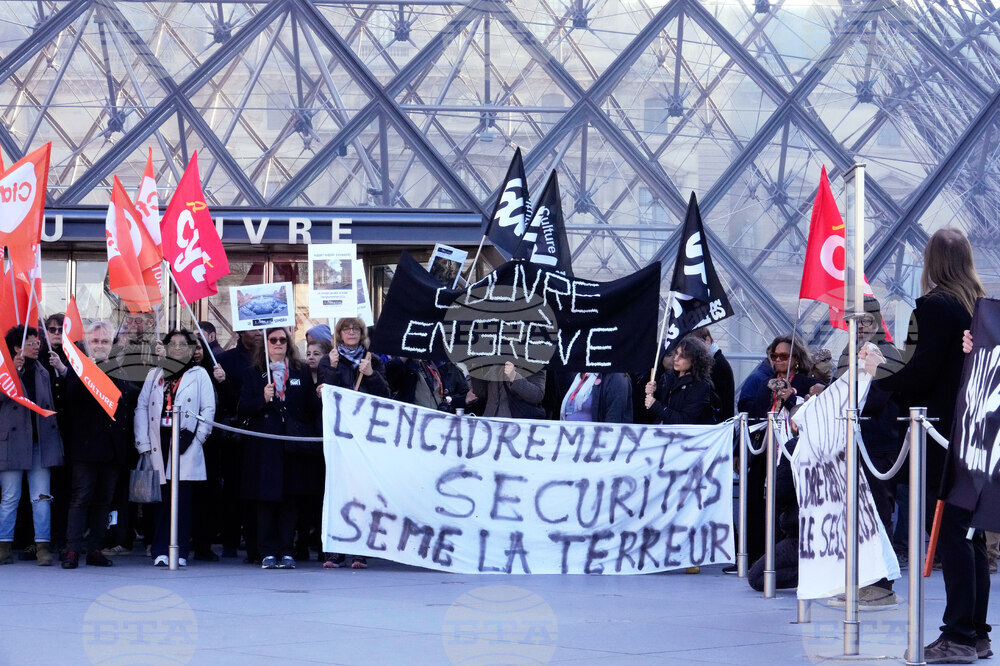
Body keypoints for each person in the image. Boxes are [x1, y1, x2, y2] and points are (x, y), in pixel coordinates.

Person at [878, 228, 988, 663]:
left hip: (941, 433)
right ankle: (976, 632)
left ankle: (959, 635)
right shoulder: (979, 307)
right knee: (971, 533)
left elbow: (920, 372)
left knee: (952, 535)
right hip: (976, 432)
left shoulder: (933, 306)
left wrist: (881, 370)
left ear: (931, 262)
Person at [834, 296, 904, 607]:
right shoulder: (848, 352)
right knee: (857, 514)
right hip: (857, 443)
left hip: (879, 445)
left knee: (876, 512)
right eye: (854, 319)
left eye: (864, 319)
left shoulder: (888, 353)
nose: (859, 325)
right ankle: (859, 578)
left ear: (876, 321)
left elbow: (874, 398)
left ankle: (880, 582)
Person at [239, 326, 319, 570]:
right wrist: (262, 399)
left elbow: (310, 408)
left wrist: (318, 395)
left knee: (289, 501)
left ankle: (287, 550)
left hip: (291, 446)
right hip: (265, 447)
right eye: (273, 339)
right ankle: (267, 551)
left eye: (282, 340)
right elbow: (242, 408)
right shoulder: (254, 372)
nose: (278, 343)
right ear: (265, 343)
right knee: (266, 501)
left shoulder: (300, 371)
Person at [134, 329, 215, 567]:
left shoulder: (199, 374)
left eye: (183, 344)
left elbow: (208, 409)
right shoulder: (154, 374)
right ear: (166, 347)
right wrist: (143, 444)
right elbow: (141, 407)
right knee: (161, 501)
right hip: (159, 438)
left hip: (185, 440)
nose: (178, 348)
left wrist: (199, 438)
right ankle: (159, 548)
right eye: (173, 344)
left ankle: (180, 549)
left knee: (182, 501)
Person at [743, 335, 823, 567]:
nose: (778, 360)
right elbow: (755, 418)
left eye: (784, 356)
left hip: (792, 455)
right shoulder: (764, 384)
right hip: (765, 452)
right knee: (757, 502)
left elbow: (806, 419)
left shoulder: (809, 383)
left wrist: (789, 399)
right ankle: (756, 555)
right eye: (774, 356)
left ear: (796, 359)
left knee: (785, 504)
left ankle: (783, 556)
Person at [317, 317, 389, 569]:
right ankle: (335, 550)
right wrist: (334, 369)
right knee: (337, 489)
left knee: (362, 491)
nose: (351, 332)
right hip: (339, 433)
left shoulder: (373, 360)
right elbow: (325, 393)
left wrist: (369, 375)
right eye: (346, 329)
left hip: (365, 434)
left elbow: (385, 395)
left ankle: (360, 550)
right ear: (339, 333)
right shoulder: (329, 360)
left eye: (355, 329)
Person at [62, 321, 132, 569]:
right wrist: (90, 371)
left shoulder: (120, 368)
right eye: (95, 341)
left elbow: (125, 402)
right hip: (85, 447)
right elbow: (72, 397)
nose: (100, 345)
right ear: (86, 344)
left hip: (112, 449)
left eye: (104, 341)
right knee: (81, 499)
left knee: (104, 501)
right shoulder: (78, 367)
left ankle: (95, 549)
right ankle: (72, 550)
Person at [0, 326, 64, 566]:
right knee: (10, 497)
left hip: (39, 444)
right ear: (17, 348)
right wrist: (12, 373)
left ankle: (43, 547)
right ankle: (3, 546)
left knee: (41, 497)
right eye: (32, 342)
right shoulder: (5, 371)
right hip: (12, 444)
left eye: (38, 342)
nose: (38, 345)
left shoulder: (43, 371)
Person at [644, 337, 715, 426]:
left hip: (684, 437)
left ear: (694, 360)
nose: (676, 358)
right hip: (661, 433)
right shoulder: (668, 376)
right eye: (676, 353)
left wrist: (656, 405)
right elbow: (652, 413)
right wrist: (652, 393)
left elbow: (686, 421)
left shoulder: (701, 385)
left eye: (682, 356)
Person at [467, 361, 546, 419]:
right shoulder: (492, 362)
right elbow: (480, 394)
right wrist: (475, 369)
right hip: (490, 423)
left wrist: (514, 376)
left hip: (516, 425)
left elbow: (537, 395)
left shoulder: (534, 363)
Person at [690, 327, 735, 420]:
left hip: (720, 424)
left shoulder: (716, 364)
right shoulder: (717, 361)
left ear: (708, 340)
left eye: (698, 345)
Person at [560, 372, 632, 423]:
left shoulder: (616, 377)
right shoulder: (579, 376)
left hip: (595, 442)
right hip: (569, 441)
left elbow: (613, 420)